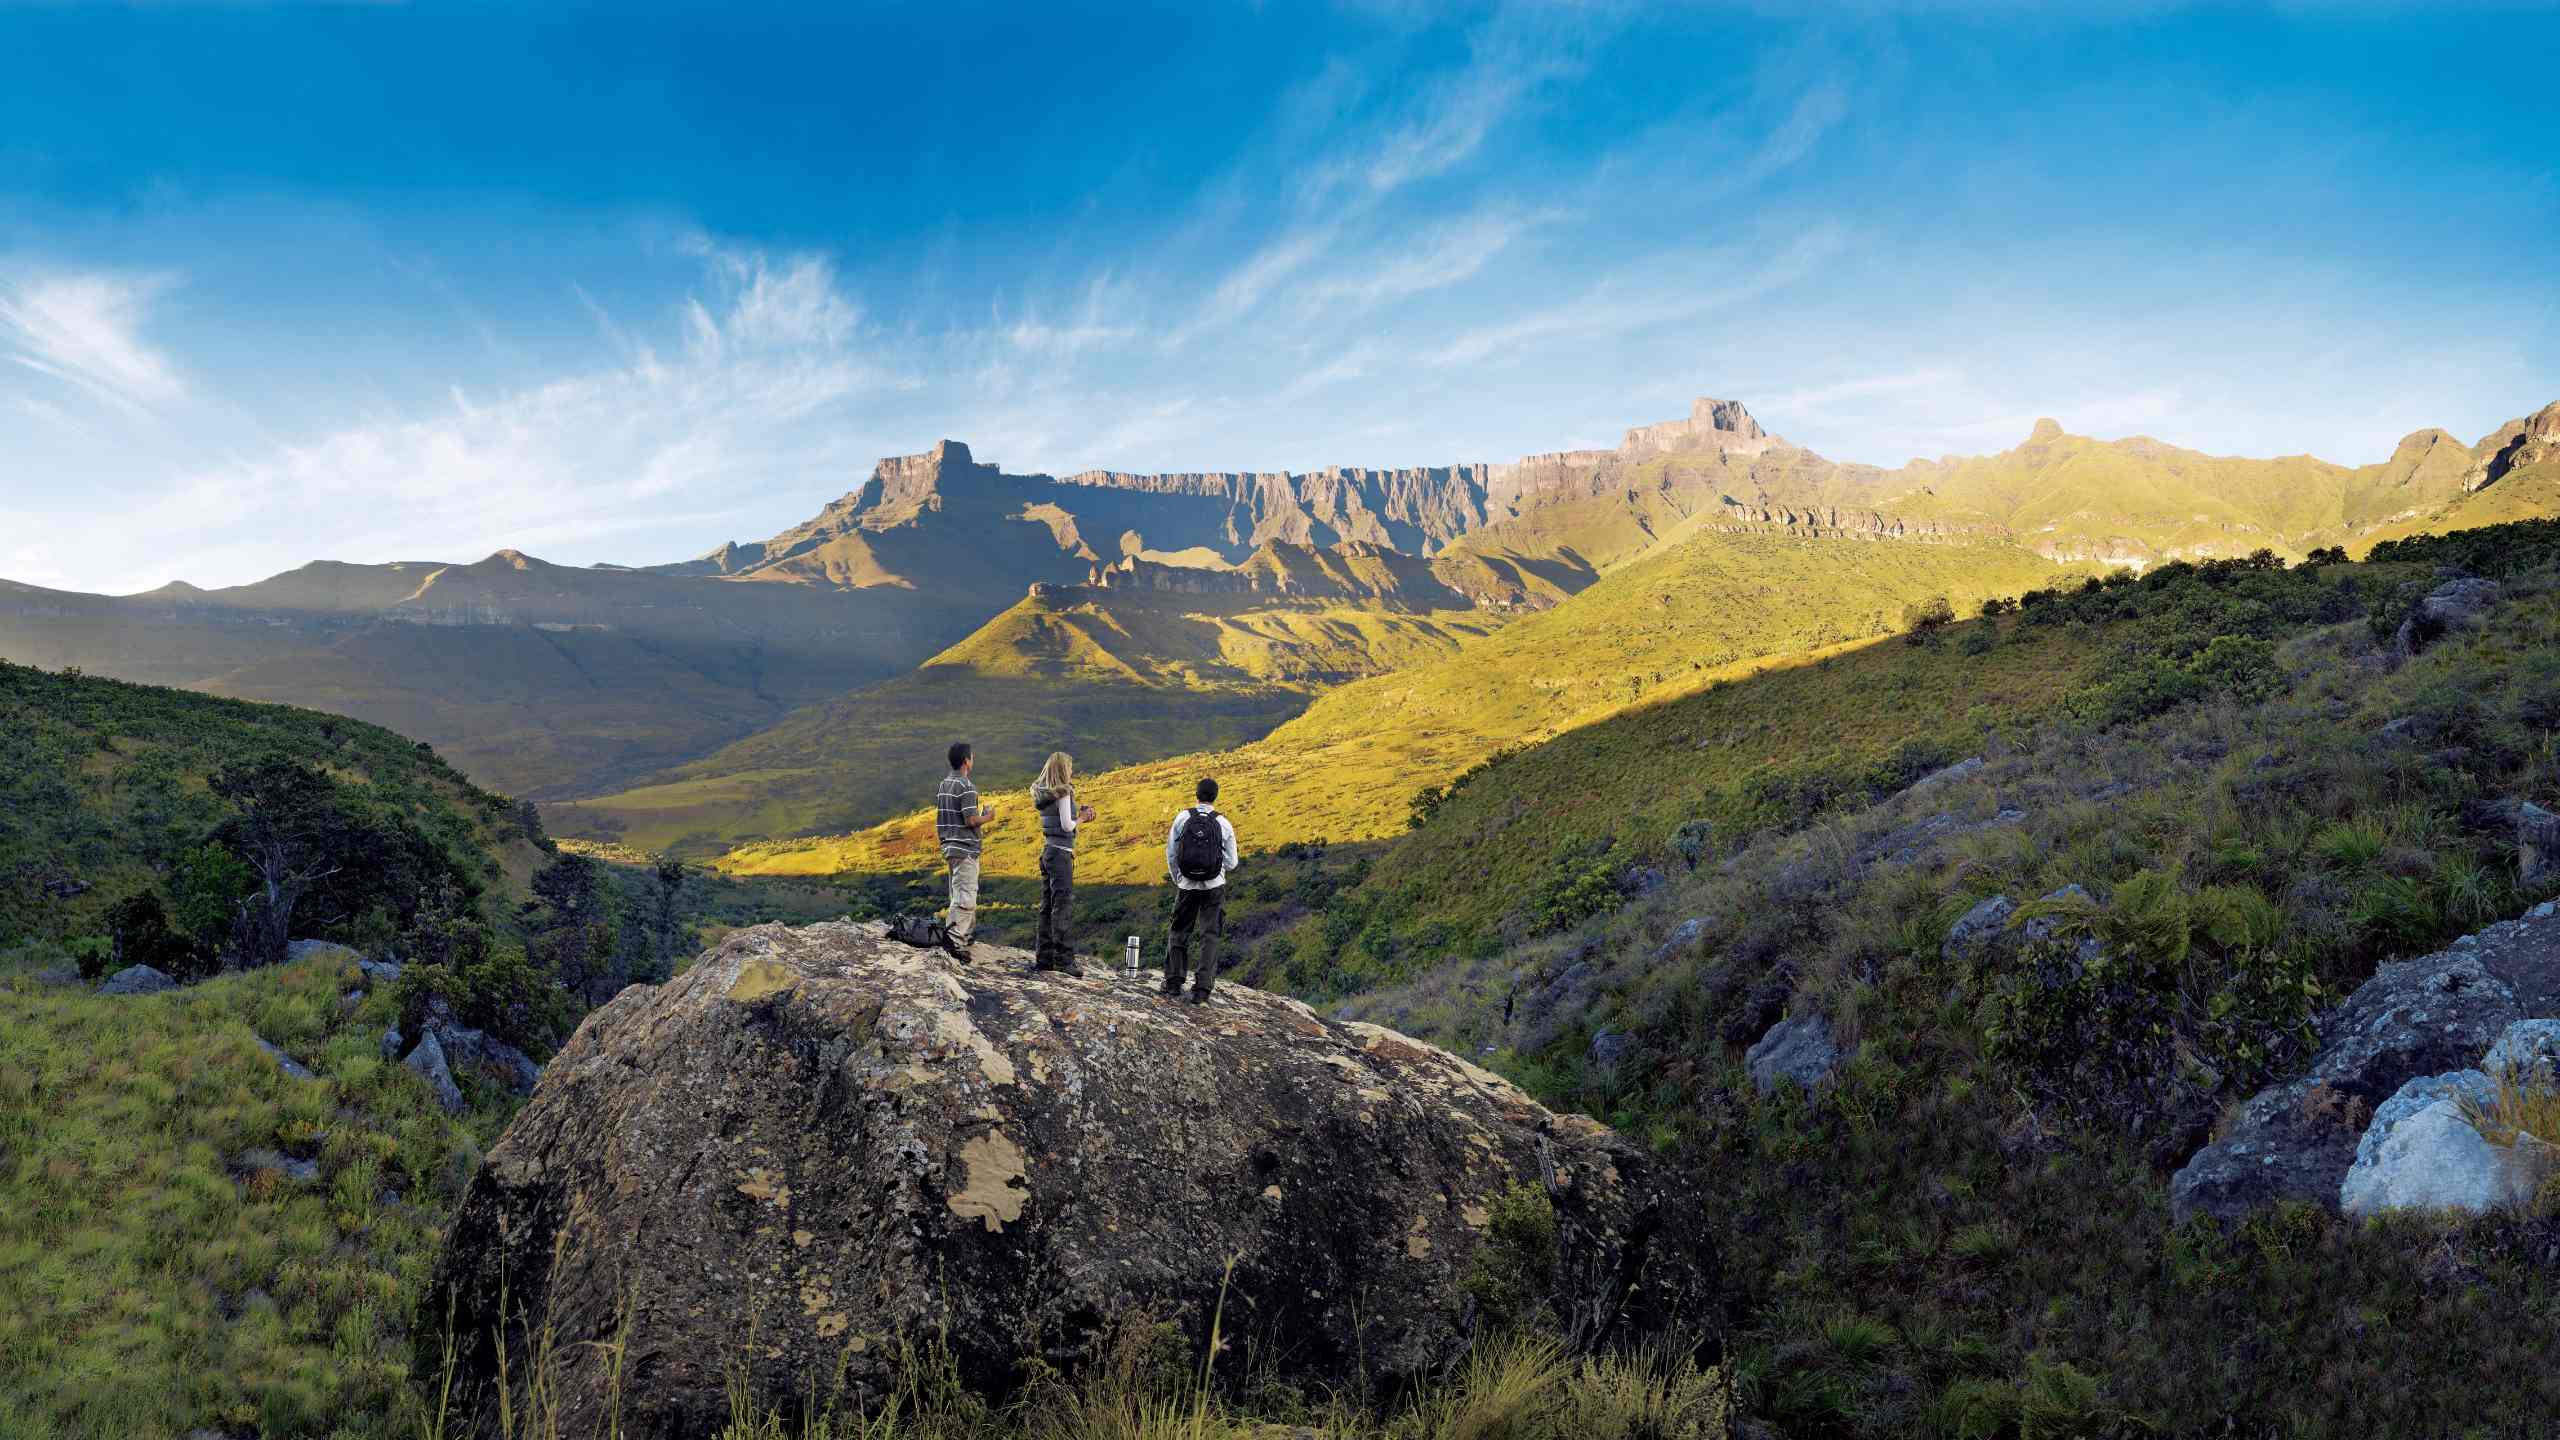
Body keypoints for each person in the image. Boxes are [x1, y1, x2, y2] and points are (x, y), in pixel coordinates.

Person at [1161, 776, 1238, 1005]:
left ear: (1197, 795)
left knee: (1179, 931)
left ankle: (1174, 982)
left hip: (1186, 885)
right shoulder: (1223, 823)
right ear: (1215, 796)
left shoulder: (1183, 818)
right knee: (1210, 935)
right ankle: (1202, 990)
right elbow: (1232, 862)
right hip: (1214, 886)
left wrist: (1179, 878)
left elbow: (1171, 852)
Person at [1028, 751, 1095, 976]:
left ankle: (1044, 958)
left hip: (1047, 851)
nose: (1072, 771)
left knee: (1046, 907)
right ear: (1063, 770)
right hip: (1061, 854)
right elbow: (1067, 825)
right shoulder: (1064, 792)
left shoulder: (1043, 794)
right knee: (1062, 907)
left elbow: (1057, 820)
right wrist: (1083, 818)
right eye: (1070, 767)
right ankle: (1065, 961)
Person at [934, 741, 997, 959]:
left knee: (957, 893)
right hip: (965, 847)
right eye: (972, 757)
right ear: (966, 761)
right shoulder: (967, 786)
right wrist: (988, 816)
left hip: (949, 846)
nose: (973, 760)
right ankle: (955, 943)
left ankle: (965, 937)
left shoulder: (944, 785)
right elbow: (970, 819)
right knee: (966, 897)